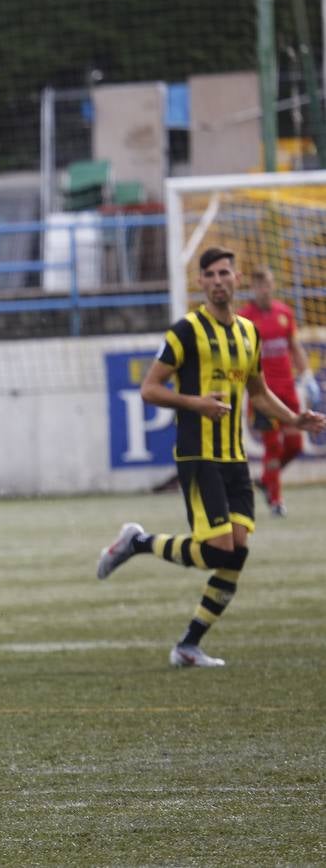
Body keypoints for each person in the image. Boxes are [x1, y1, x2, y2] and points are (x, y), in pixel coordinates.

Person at [96, 247, 326, 668]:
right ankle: (139, 541)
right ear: (201, 283)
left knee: (236, 551)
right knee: (219, 550)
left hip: (234, 458)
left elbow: (256, 392)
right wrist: (194, 403)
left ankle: (188, 644)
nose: (219, 280)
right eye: (210, 275)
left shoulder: (247, 333)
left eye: (225, 273)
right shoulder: (186, 332)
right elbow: (150, 389)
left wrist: (294, 418)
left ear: (236, 279)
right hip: (198, 453)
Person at [238, 266, 321, 516]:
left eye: (269, 284)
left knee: (295, 444)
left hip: (288, 389)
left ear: (273, 286)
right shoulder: (245, 318)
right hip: (262, 393)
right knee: (272, 445)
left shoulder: (284, 313)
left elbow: (294, 346)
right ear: (253, 288)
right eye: (260, 285)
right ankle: (276, 500)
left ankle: (265, 480)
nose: (265, 290)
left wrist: (307, 376)